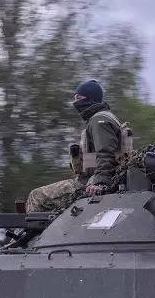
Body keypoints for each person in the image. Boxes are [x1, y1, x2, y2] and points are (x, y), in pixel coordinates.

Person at [25, 79, 123, 213]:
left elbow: (106, 152)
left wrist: (101, 182)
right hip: (93, 179)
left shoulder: (99, 120)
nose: (75, 102)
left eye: (79, 98)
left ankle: (40, 233)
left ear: (90, 98)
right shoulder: (105, 118)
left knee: (37, 196)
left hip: (90, 182)